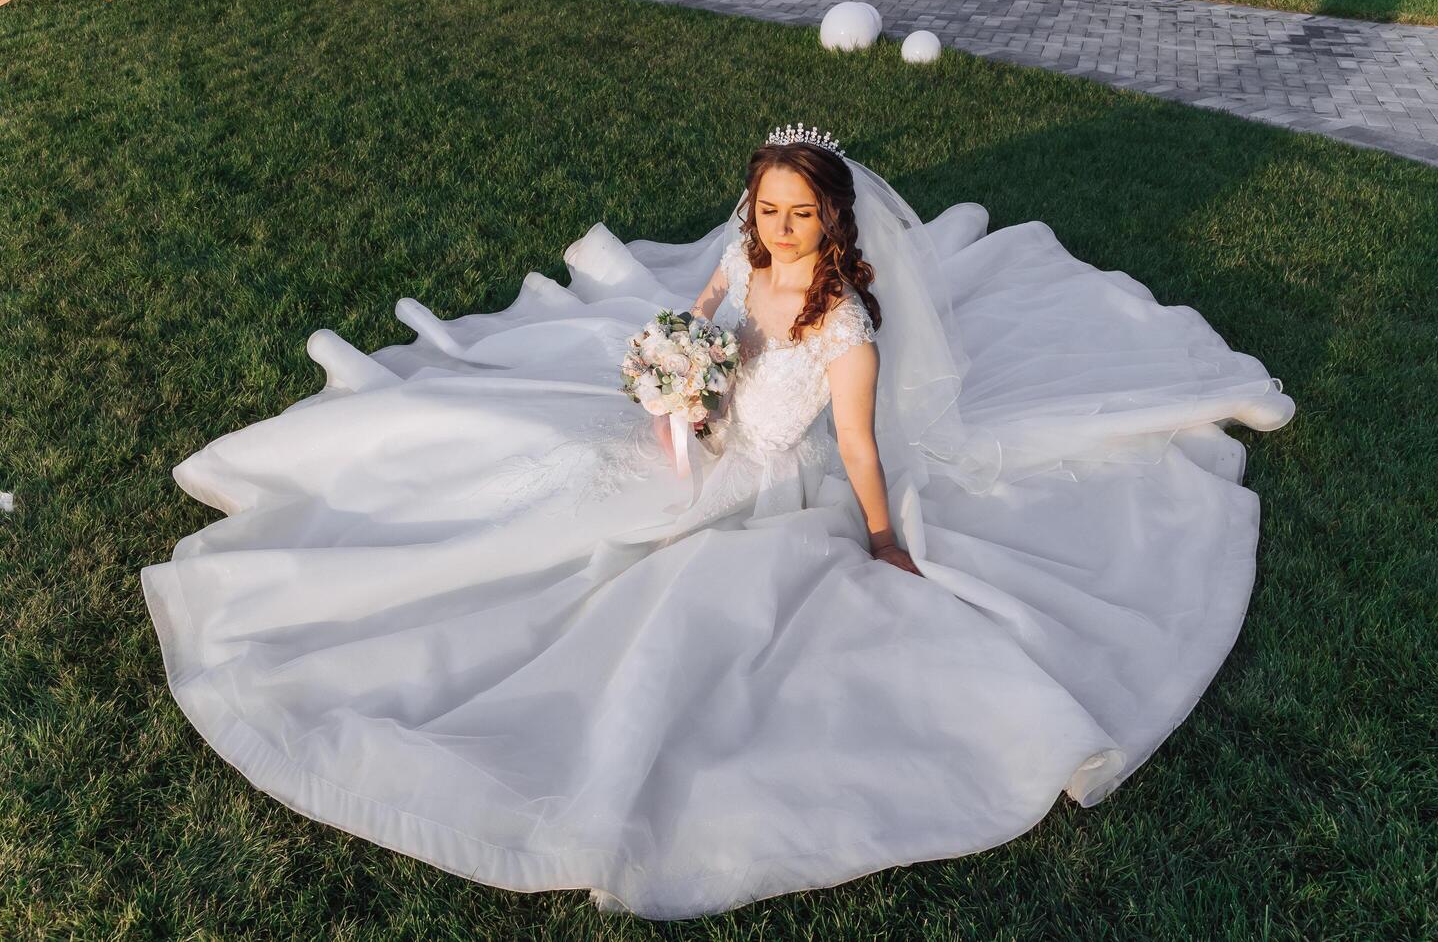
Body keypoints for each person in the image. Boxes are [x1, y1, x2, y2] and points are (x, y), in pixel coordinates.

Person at [141, 124, 1296, 920]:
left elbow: (851, 446)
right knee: (533, 487)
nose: (777, 228)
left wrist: (886, 536)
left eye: (797, 215)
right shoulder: (746, 266)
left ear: (834, 222)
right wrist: (675, 367)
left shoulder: (849, 334)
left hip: (761, 473)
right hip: (693, 427)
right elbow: (696, 309)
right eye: (765, 210)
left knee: (632, 574)